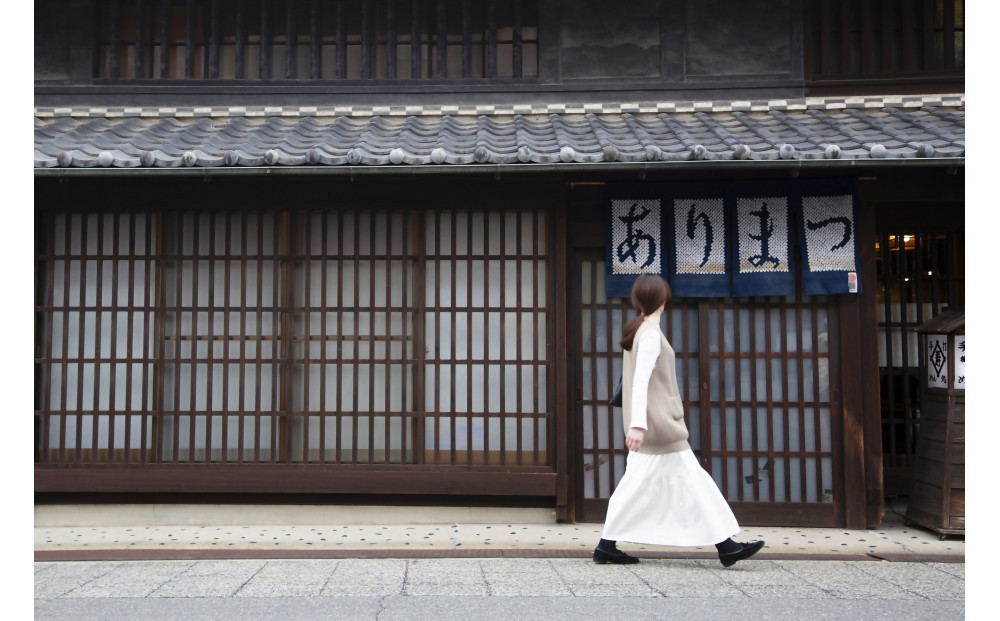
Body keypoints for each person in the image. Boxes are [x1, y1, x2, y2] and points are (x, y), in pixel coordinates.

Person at [593, 274, 764, 567]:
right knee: (661, 484)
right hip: (658, 426)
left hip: (657, 425)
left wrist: (638, 423)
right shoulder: (648, 334)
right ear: (662, 299)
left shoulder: (643, 330)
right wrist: (637, 425)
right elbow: (639, 383)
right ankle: (726, 547)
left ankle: (726, 546)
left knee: (683, 482)